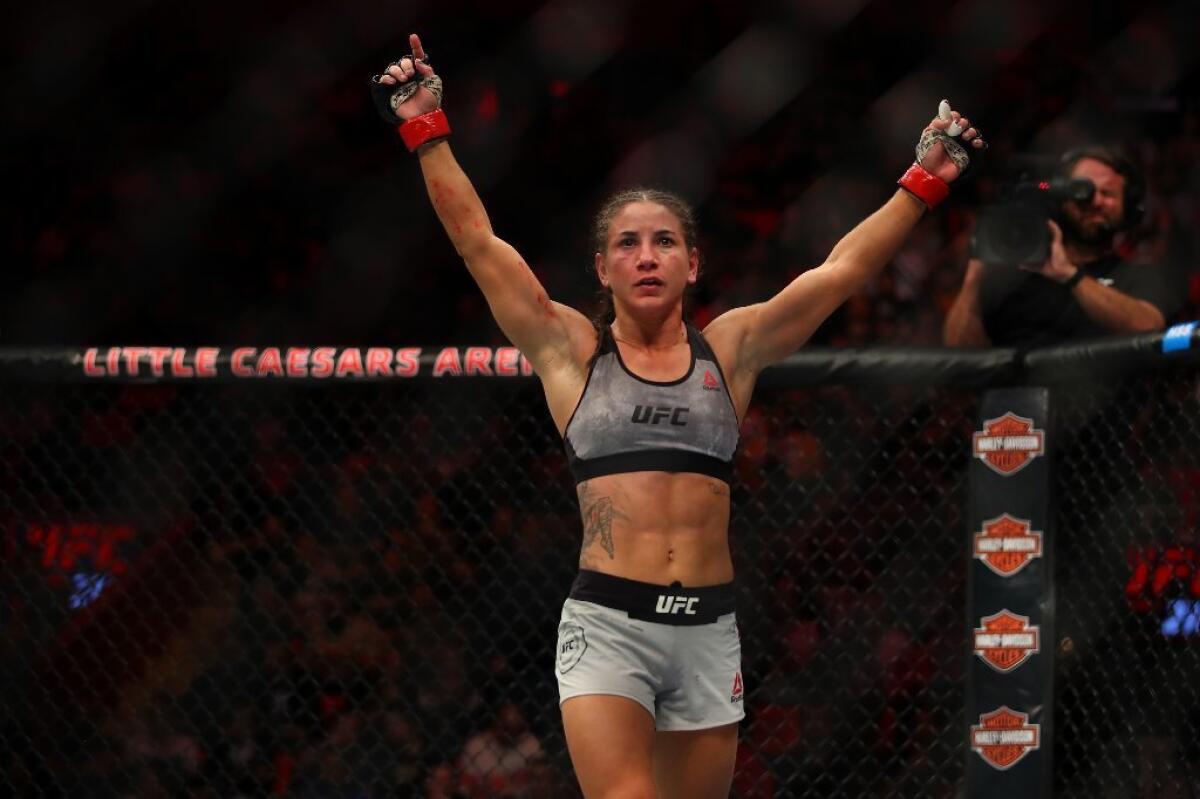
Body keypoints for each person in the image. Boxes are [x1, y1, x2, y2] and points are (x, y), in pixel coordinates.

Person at [372, 33, 985, 798]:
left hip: (706, 625)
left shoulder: (730, 350)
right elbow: (477, 242)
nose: (647, 255)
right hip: (608, 626)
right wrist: (426, 129)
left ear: (693, 263)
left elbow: (841, 273)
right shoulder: (571, 351)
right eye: (627, 244)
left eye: (664, 241)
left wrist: (923, 182)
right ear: (603, 268)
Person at [943, 146, 1182, 348]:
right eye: (1081, 190)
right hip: (1013, 403)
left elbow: (1149, 328)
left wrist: (1068, 274)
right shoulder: (1015, 276)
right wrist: (975, 273)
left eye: (1107, 193)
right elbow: (958, 350)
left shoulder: (1138, 275)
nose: (1095, 200)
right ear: (1063, 199)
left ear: (1128, 207)